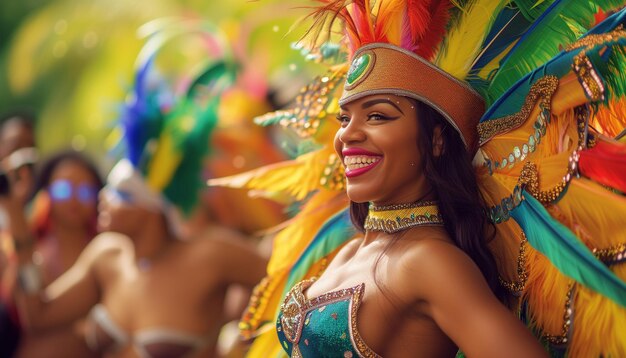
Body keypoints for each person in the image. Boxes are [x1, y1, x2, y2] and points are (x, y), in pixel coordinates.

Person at [227, 1, 626, 357]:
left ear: (436, 140)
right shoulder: (353, 250)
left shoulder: (430, 262)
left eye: (378, 115)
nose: (348, 134)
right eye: (345, 118)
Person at [10, 27, 269, 357]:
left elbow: (285, 279)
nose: (103, 198)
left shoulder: (208, 255)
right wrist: (16, 215)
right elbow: (38, 315)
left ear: (149, 207)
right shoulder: (106, 256)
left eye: (119, 193)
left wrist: (243, 342)